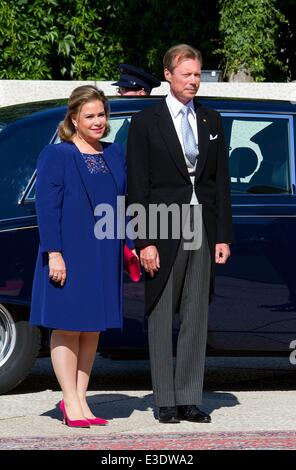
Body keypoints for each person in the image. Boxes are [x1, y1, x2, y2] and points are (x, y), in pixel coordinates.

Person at [127, 44, 234, 424]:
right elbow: (138, 186)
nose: (193, 81)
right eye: (186, 74)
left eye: (197, 74)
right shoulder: (145, 123)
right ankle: (166, 400)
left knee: (194, 312)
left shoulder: (211, 120)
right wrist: (145, 241)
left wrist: (223, 236)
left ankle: (189, 397)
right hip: (163, 224)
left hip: (201, 225)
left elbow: (220, 183)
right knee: (160, 313)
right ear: (168, 75)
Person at [30, 85, 128, 428]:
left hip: (103, 251)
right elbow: (46, 206)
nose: (98, 121)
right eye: (90, 116)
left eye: (102, 114)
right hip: (68, 251)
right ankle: (69, 400)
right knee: (69, 326)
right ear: (74, 118)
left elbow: (121, 204)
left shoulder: (114, 153)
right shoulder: (58, 154)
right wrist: (53, 253)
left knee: (92, 329)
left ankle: (81, 399)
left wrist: (130, 242)